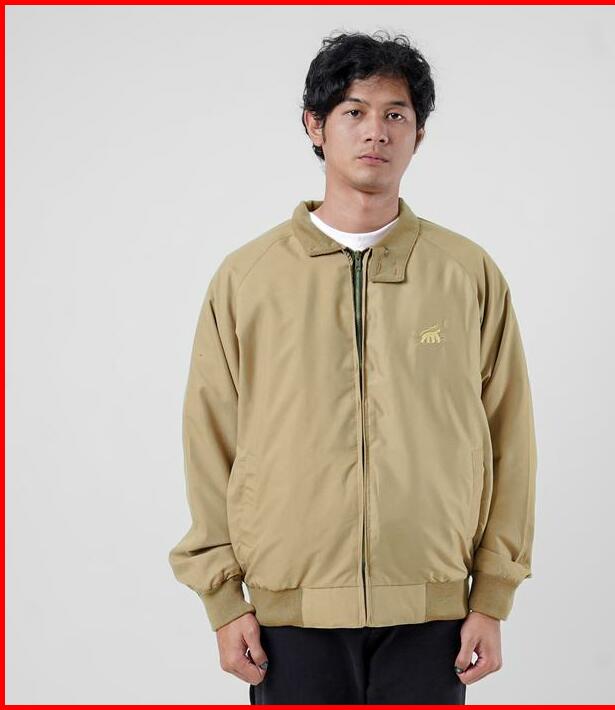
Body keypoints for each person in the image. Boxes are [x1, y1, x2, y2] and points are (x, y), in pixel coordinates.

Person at [168, 30, 537, 705]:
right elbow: (210, 441)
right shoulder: (249, 278)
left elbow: (509, 437)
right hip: (288, 614)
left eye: (396, 114)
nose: (376, 131)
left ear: (418, 135)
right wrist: (223, 599)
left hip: (433, 611)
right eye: (354, 111)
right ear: (315, 126)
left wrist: (492, 596)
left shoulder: (465, 274)